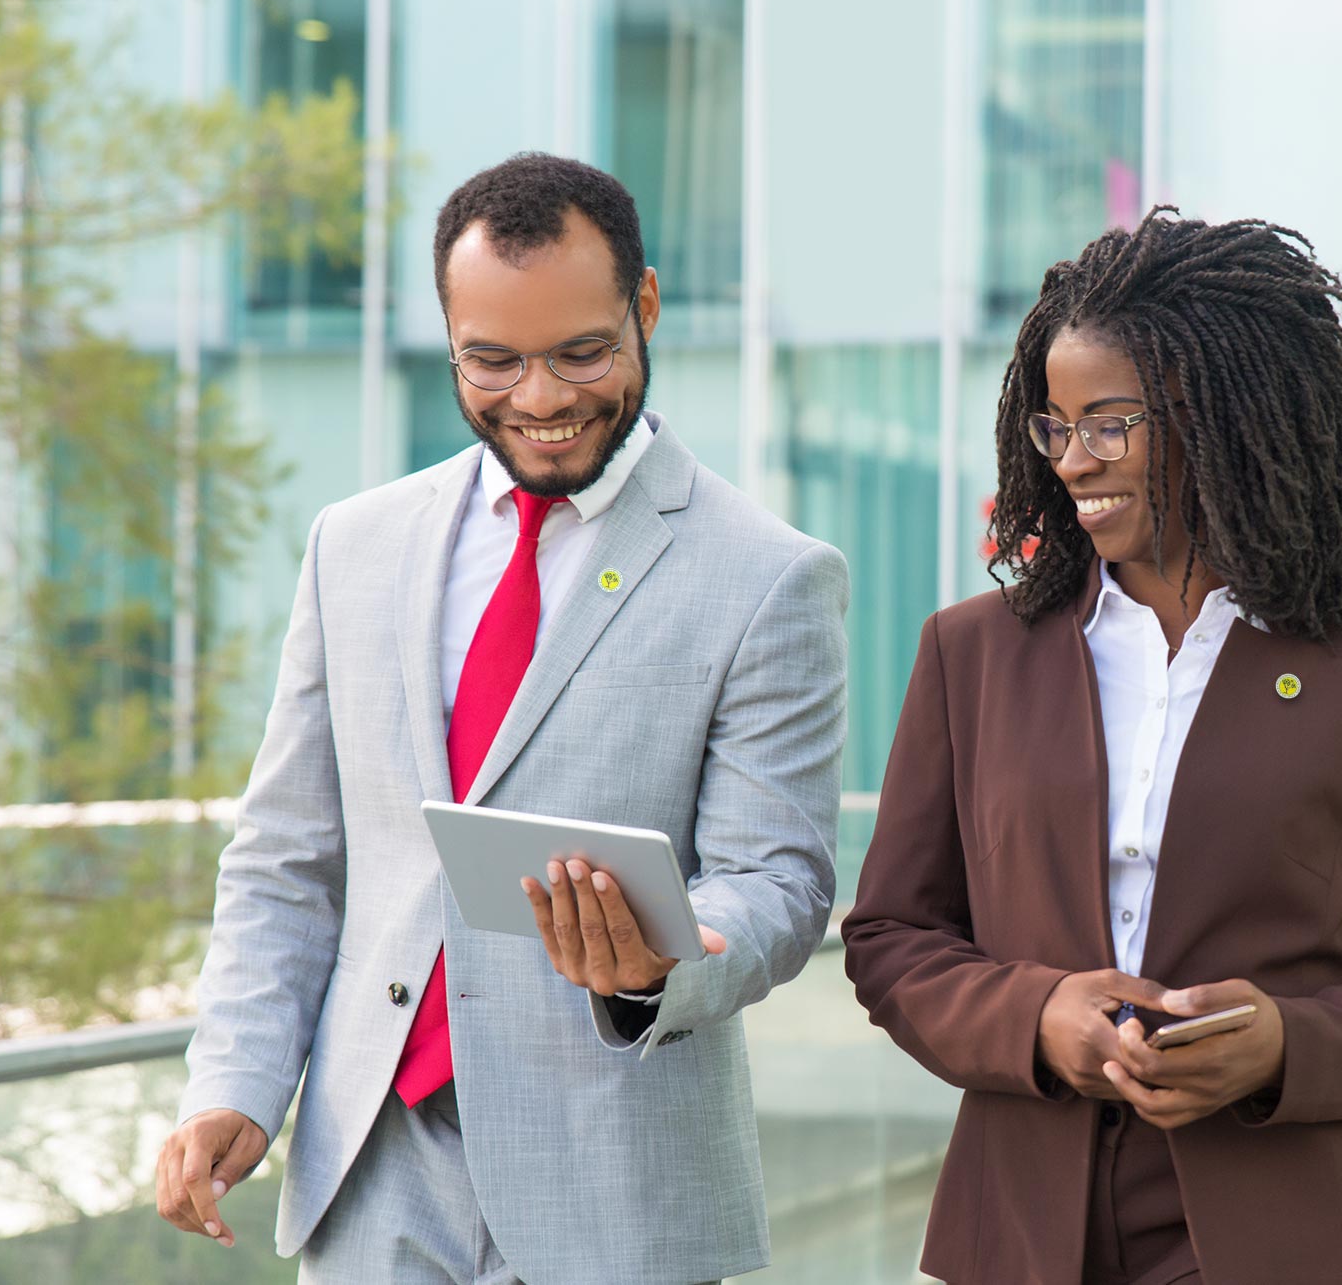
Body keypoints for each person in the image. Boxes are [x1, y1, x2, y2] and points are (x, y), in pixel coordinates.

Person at [153, 153, 848, 1285]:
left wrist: (661, 959)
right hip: (374, 1173)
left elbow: (775, 878)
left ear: (647, 308)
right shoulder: (355, 544)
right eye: (494, 360)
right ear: (448, 339)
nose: (540, 398)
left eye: (582, 352)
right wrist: (234, 1081)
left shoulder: (768, 576)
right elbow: (289, 856)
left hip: (614, 1189)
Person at [843, 210, 1342, 1285]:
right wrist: (1037, 1015)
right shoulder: (969, 655)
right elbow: (889, 935)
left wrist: (1286, 1043)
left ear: (1224, 413)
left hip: (1292, 1240)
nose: (1071, 460)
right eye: (1050, 426)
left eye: (1107, 422)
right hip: (1018, 1235)